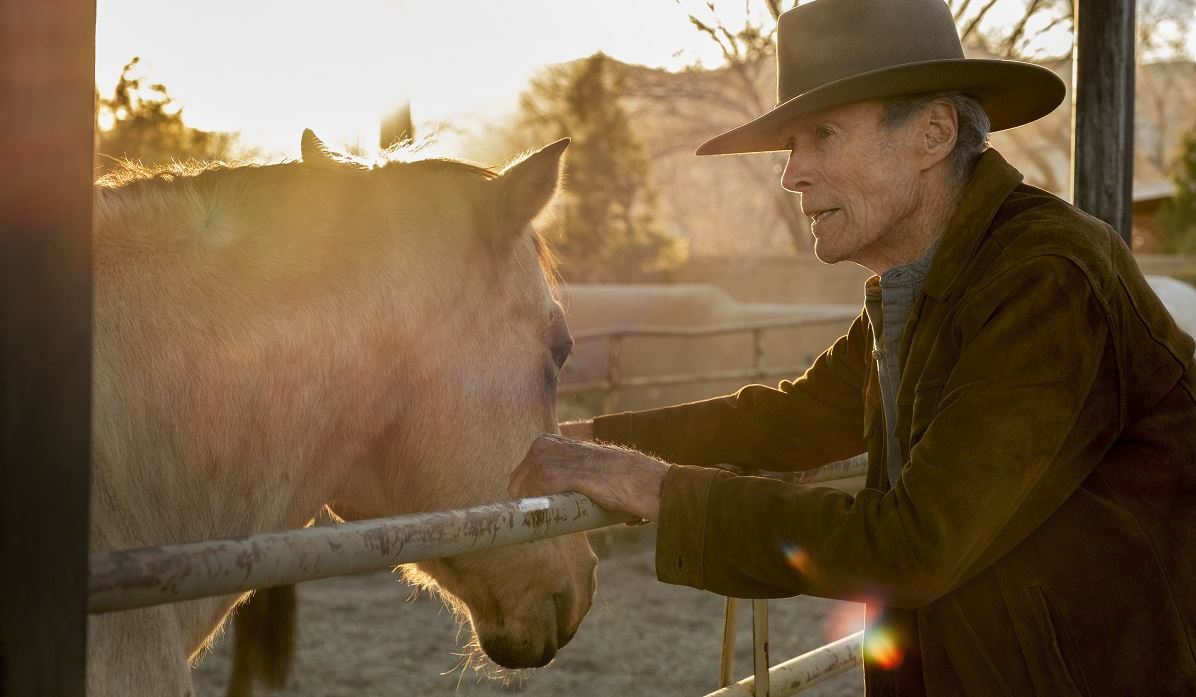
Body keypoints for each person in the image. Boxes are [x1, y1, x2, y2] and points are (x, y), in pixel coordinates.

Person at [508, 0, 1196, 694]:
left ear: (933, 133)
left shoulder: (1046, 280)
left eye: (823, 135)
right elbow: (792, 418)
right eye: (791, 146)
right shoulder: (933, 282)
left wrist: (649, 486)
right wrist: (581, 440)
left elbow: (913, 544)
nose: (791, 173)